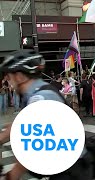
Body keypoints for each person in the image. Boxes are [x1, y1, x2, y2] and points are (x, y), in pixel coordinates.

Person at [0, 50, 72, 179]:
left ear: (20, 77)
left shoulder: (41, 97)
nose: (8, 80)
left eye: (9, 76)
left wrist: (10, 177)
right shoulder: (34, 94)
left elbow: (32, 147)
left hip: (70, 170)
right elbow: (20, 124)